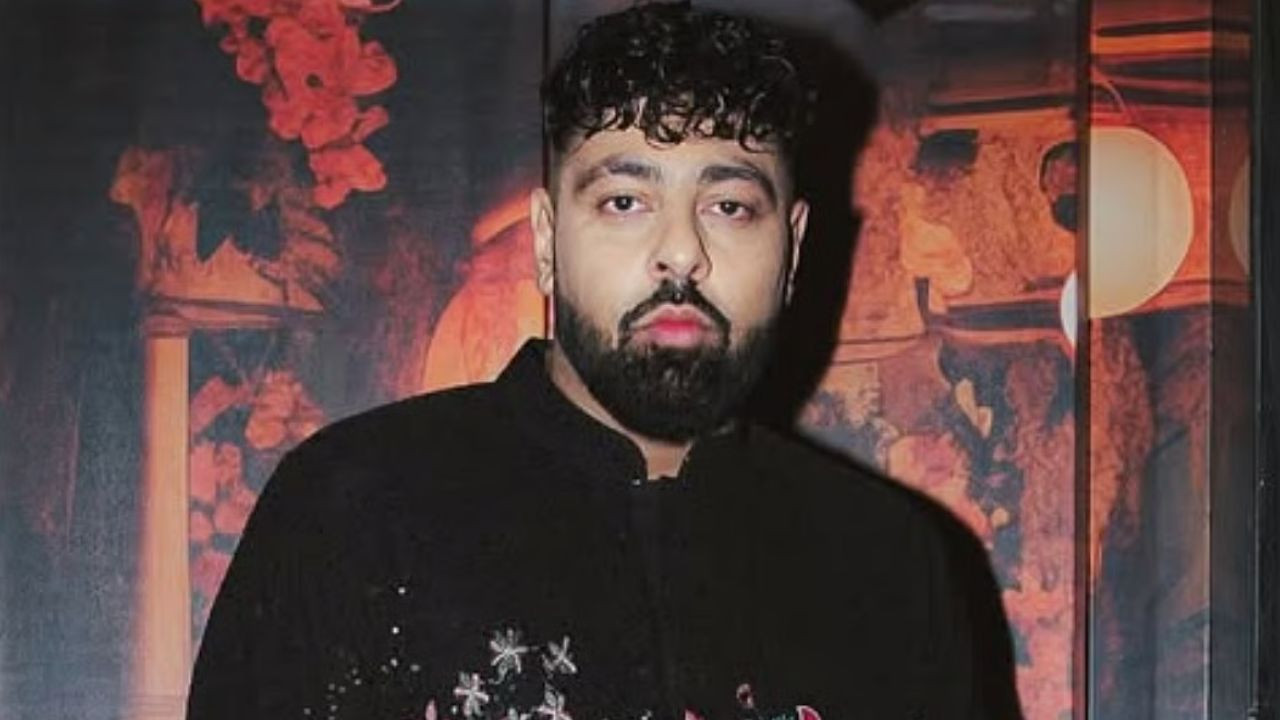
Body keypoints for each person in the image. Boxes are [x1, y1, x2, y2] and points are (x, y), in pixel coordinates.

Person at [187, 4, 978, 719]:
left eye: (730, 206)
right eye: (624, 202)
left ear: (793, 248)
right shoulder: (352, 509)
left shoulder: (886, 562)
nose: (681, 252)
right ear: (545, 240)